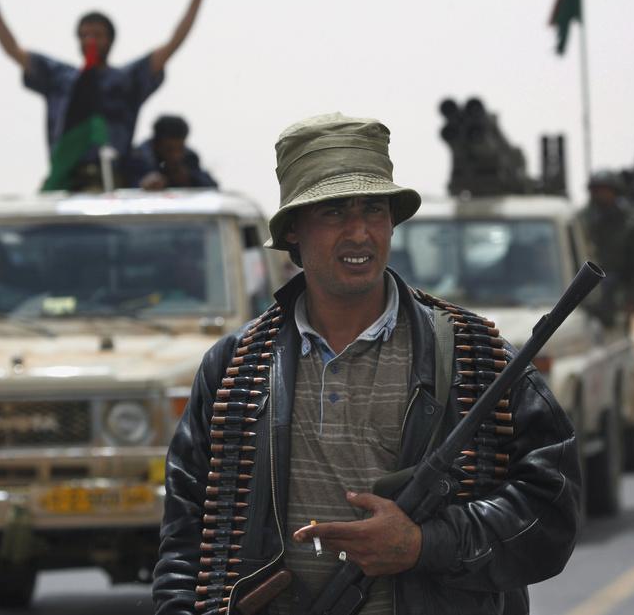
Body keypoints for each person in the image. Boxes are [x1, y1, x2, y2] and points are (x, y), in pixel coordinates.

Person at [153, 113, 580, 615]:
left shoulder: (476, 356)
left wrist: (425, 543)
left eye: (373, 210)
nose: (359, 233)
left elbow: (551, 515)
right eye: (333, 213)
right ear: (293, 229)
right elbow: (186, 543)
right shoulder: (234, 367)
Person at [0, 0, 215, 190]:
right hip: (66, 179)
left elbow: (171, 45)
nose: (90, 41)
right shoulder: (60, 79)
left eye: (97, 35)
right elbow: (12, 49)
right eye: (84, 35)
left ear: (109, 40)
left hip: (112, 181)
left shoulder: (126, 80)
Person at [579, 169, 634, 323]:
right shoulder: (581, 221)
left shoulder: (632, 224)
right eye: (597, 191)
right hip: (584, 294)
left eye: (605, 191)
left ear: (615, 193)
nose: (600, 195)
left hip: (620, 296)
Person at [128, 115, 218, 190]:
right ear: (157, 144)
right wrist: (144, 185)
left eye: (179, 149)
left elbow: (212, 187)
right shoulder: (140, 158)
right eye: (169, 149)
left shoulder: (189, 157)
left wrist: (189, 179)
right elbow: (128, 188)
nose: (175, 155)